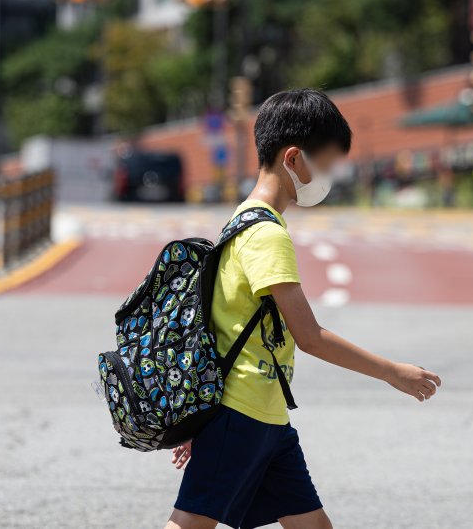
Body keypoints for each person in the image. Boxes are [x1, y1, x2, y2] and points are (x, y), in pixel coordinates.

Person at [164, 89, 442, 529]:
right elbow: (308, 336)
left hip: (265, 413)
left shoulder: (242, 220)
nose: (329, 178)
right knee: (192, 523)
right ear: (294, 159)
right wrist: (392, 372)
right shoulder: (266, 235)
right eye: (326, 165)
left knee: (313, 526)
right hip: (244, 408)